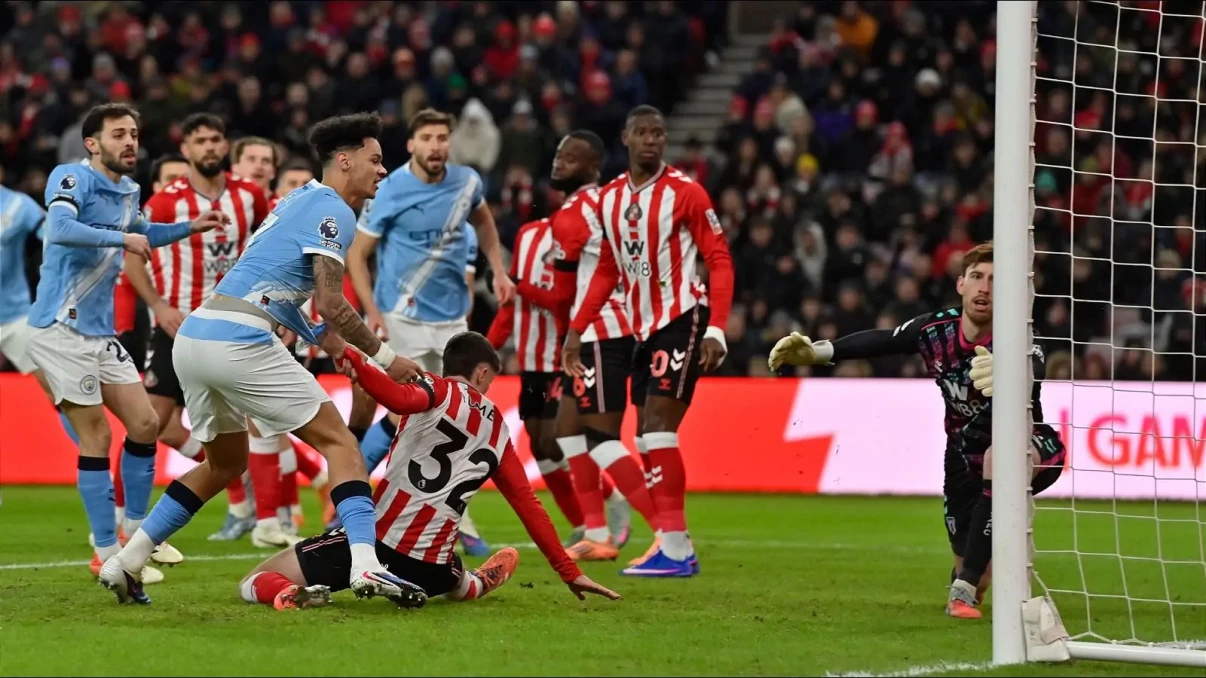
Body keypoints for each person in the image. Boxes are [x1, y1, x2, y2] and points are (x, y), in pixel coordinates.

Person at [98, 112, 423, 606]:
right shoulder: (335, 210)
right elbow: (331, 301)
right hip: (239, 340)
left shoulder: (296, 200)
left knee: (224, 464)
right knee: (341, 445)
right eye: (375, 160)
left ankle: (127, 560)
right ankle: (366, 564)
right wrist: (385, 356)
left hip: (196, 336)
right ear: (344, 160)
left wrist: (327, 339)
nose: (382, 170)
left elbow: (272, 291)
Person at [767, 242, 1068, 619]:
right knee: (981, 572)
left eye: (995, 280)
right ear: (960, 284)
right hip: (962, 457)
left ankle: (962, 590)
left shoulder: (1019, 336)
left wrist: (1011, 373)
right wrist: (818, 352)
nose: (985, 287)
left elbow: (1035, 367)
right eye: (977, 277)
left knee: (1002, 458)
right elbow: (884, 341)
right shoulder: (935, 329)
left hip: (1029, 445)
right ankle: (973, 573)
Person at [239, 334, 620, 610]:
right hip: (435, 565)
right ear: (482, 373)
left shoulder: (435, 390)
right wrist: (568, 571)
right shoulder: (500, 430)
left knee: (254, 580)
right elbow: (527, 504)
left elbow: (394, 397)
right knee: (456, 577)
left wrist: (352, 357)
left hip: (376, 545)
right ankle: (474, 584)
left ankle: (287, 593)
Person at [25, 103, 226, 586]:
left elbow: (143, 233)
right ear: (92, 143)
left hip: (100, 334)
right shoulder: (71, 177)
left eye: (133, 133)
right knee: (97, 436)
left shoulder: (130, 189)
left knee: (145, 423)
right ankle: (104, 552)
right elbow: (60, 229)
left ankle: (137, 532)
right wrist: (122, 239)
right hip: (60, 327)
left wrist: (189, 227)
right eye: (118, 134)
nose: (130, 141)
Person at [562, 106, 735, 577]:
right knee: (643, 436)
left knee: (658, 428)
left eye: (658, 133)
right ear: (626, 138)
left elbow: (718, 258)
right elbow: (606, 270)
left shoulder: (686, 192)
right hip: (642, 330)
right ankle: (675, 545)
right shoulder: (610, 199)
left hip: (682, 316)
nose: (651, 140)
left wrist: (716, 327)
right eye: (642, 132)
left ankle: (675, 549)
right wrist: (577, 330)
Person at [346, 108, 516, 557]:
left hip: (453, 321)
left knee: (455, 418)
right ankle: (352, 497)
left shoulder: (467, 183)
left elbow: (484, 223)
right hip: (401, 317)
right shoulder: (390, 188)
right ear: (412, 144)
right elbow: (358, 253)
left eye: (442, 137)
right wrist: (371, 310)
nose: (436, 146)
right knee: (408, 414)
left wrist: (498, 270)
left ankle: (442, 516)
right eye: (427, 138)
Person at [124, 114, 270, 545]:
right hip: (178, 327)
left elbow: (269, 246)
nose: (209, 147)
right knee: (151, 422)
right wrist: (158, 305)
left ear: (225, 146)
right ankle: (128, 519)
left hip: (235, 325)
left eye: (215, 139)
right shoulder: (165, 203)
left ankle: (269, 515)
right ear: (186, 149)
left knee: (254, 424)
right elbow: (132, 256)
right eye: (200, 141)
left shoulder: (250, 196)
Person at [547, 131, 662, 561]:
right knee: (567, 430)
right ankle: (597, 533)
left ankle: (667, 534)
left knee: (601, 438)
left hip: (600, 331)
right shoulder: (615, 201)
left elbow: (562, 293)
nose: (559, 163)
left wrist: (565, 336)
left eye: (570, 158)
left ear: (592, 167)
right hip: (626, 325)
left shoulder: (572, 214)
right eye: (559, 156)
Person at [484, 215, 591, 544]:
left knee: (555, 439)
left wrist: (521, 285)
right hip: (531, 364)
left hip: (563, 360)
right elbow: (510, 304)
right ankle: (582, 525)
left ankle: (607, 502)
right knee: (539, 446)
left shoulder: (582, 235)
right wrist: (486, 350)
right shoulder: (527, 235)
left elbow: (564, 301)